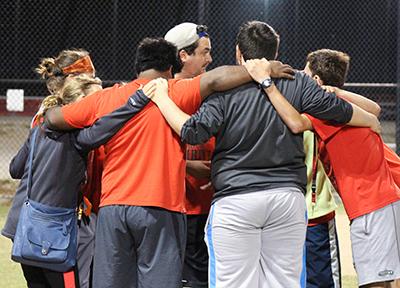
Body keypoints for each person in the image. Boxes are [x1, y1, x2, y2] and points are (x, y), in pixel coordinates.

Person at [142, 21, 379, 288]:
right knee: (283, 283)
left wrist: (161, 98)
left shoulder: (225, 89)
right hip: (286, 198)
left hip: (236, 199)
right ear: (275, 54)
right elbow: (340, 111)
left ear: (238, 53)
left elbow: (192, 131)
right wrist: (370, 119)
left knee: (235, 283)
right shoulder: (296, 81)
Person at [44, 37, 294, 288]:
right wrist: (264, 70)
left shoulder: (107, 98)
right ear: (170, 69)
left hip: (113, 208)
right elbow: (217, 78)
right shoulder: (174, 90)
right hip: (161, 207)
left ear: (138, 67)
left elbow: (54, 119)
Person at [248, 49, 400, 288]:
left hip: (373, 204)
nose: (300, 76)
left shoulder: (327, 111)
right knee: (380, 278)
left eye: (305, 73)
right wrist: (339, 92)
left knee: (375, 282)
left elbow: (296, 124)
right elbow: (375, 110)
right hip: (372, 204)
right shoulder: (342, 105)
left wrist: (267, 84)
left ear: (317, 81)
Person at [5, 74, 157, 288]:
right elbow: (107, 125)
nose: (100, 105)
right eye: (96, 99)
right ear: (79, 103)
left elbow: (15, 169)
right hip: (55, 238)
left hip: (26, 232)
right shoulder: (78, 138)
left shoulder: (39, 129)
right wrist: (136, 101)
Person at [165, 22, 214, 288]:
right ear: (183, 55)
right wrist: (186, 166)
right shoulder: (162, 93)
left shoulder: (213, 91)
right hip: (174, 206)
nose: (210, 59)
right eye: (204, 52)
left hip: (211, 204)